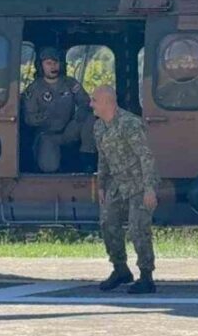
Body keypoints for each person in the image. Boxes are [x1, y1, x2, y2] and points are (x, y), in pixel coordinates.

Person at [91, 86, 160, 294]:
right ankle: (120, 270)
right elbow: (102, 158)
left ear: (107, 102)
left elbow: (146, 156)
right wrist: (101, 185)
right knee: (108, 224)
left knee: (138, 229)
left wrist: (149, 189)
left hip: (139, 183)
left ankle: (146, 277)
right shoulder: (99, 127)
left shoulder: (129, 124)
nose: (91, 104)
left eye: (94, 100)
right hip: (116, 183)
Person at [22, 47, 96, 172]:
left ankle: (87, 158)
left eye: (56, 63)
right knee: (49, 167)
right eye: (49, 63)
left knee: (90, 118)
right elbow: (29, 118)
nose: (53, 67)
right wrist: (46, 117)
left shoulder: (70, 83)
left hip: (69, 130)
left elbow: (86, 103)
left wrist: (81, 112)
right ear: (41, 66)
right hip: (47, 135)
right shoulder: (34, 89)